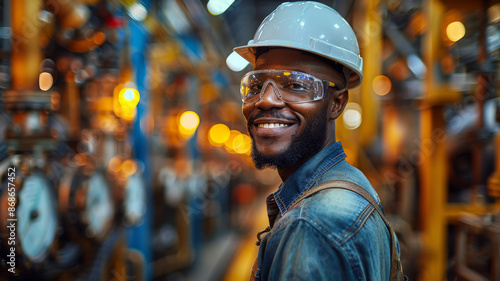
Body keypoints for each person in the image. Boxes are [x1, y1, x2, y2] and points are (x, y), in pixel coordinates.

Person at [233, 1, 404, 280]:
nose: (265, 99)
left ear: (337, 103)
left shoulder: (313, 226)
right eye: (255, 85)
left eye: (296, 84)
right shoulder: (353, 185)